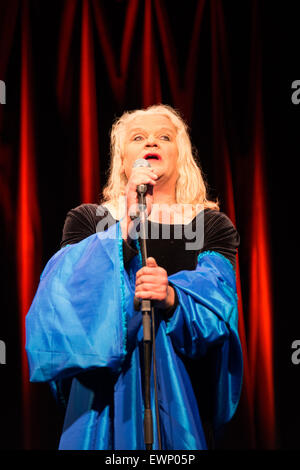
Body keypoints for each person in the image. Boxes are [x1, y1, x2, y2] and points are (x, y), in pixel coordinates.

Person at [25, 104, 243, 450]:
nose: (151, 142)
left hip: (183, 403)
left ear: (180, 155)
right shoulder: (87, 220)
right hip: (103, 405)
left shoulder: (211, 225)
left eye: (164, 137)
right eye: (138, 138)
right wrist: (125, 226)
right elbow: (63, 301)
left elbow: (219, 310)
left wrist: (173, 297)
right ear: (123, 161)